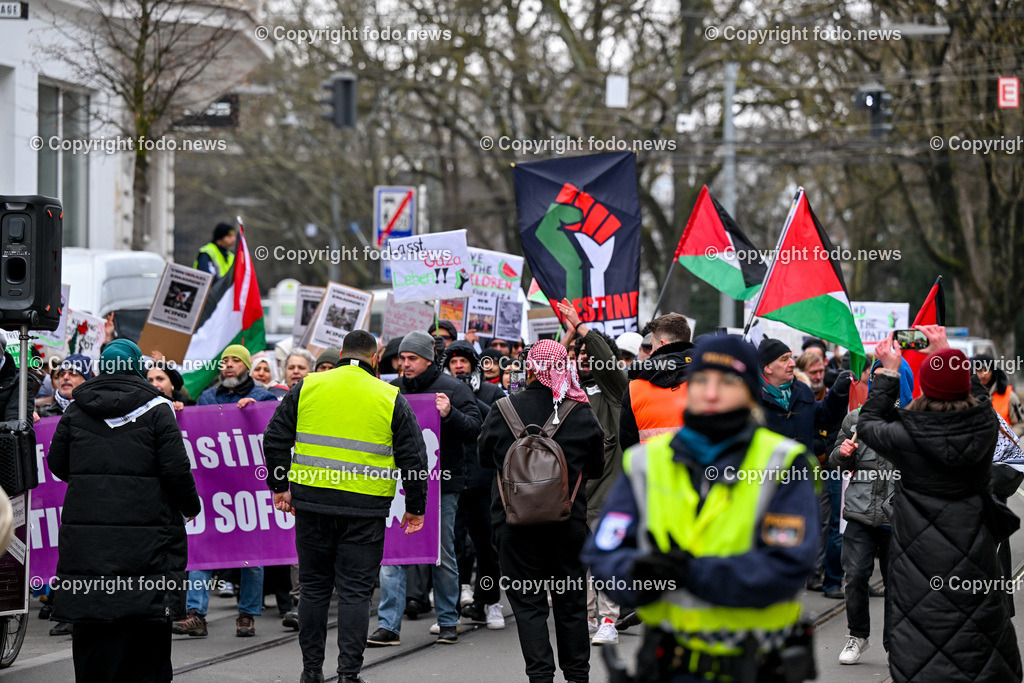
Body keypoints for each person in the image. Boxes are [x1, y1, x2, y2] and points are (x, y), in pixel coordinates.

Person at [583, 334, 820, 683]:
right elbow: (603, 554)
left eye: (727, 382)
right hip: (669, 666)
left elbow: (787, 566)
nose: (711, 392)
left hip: (754, 665)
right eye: (701, 380)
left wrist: (686, 573)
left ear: (751, 391)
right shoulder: (648, 462)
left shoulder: (784, 462)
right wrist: (639, 579)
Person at [263, 330, 428, 683]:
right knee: (355, 593)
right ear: (375, 357)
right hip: (365, 510)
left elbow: (274, 436)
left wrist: (280, 486)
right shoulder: (389, 396)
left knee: (314, 589)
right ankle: (348, 674)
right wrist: (415, 507)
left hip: (312, 505)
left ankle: (311, 673)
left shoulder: (307, 387)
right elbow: (414, 457)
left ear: (340, 353)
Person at [857, 328, 1023, 682]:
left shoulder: (904, 438)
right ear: (965, 386)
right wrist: (946, 351)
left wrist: (887, 372)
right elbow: (981, 402)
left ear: (924, 388)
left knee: (924, 640)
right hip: (975, 553)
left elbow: (869, 424)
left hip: (918, 562)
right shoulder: (983, 427)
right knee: (978, 634)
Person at [48, 340, 201, 682]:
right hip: (148, 538)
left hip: (88, 542)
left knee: (92, 622)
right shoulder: (158, 409)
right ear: (135, 366)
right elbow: (176, 470)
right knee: (146, 621)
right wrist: (191, 507)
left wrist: (92, 483)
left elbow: (57, 463)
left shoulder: (76, 409)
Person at [478, 340, 605, 683]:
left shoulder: (503, 409)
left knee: (529, 606)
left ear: (529, 367)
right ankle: (578, 677)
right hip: (568, 527)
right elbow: (595, 466)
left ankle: (540, 677)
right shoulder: (581, 411)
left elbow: (484, 458)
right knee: (571, 605)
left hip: (514, 526)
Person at [368, 331, 482, 647]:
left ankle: (448, 620)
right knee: (392, 553)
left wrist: (449, 414)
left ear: (428, 360)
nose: (404, 364)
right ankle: (389, 625)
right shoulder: (390, 390)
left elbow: (475, 429)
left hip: (442, 485)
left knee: (441, 551)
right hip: (399, 486)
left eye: (411, 358)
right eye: (401, 358)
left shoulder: (453, 389)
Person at [174, 345, 277, 638]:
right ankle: (196, 614)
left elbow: (273, 431)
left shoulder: (262, 398)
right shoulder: (206, 398)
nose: (229, 365)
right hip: (214, 491)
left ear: (246, 366)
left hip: (248, 492)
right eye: (225, 361)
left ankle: (247, 615)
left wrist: (255, 414)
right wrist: (183, 410)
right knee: (202, 552)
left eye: (235, 361)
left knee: (251, 556)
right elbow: (193, 435)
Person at [828, 359, 911, 665]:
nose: (878, 384)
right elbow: (835, 462)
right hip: (860, 514)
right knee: (856, 575)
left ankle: (895, 644)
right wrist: (843, 454)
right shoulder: (854, 419)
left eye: (884, 378)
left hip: (896, 517)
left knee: (896, 583)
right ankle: (857, 636)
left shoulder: (909, 422)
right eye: (873, 378)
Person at [558, 299, 629, 645]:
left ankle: (608, 620)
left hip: (607, 497)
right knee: (579, 564)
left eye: (589, 353)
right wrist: (568, 334)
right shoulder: (566, 393)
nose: (582, 357)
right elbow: (546, 365)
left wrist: (582, 327)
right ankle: (588, 615)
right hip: (572, 498)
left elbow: (608, 364)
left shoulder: (616, 391)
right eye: (577, 353)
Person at [758, 337, 851, 599]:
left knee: (793, 543)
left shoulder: (802, 391)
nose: (791, 363)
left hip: (801, 485)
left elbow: (823, 417)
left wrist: (839, 392)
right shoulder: (752, 397)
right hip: (766, 486)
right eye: (784, 359)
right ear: (767, 368)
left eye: (791, 357)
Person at [441, 341, 507, 630]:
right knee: (453, 545)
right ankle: (452, 608)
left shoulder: (491, 392)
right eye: (453, 361)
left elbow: (501, 420)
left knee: (486, 544)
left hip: (483, 480)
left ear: (474, 364)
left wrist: (467, 396)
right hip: (453, 480)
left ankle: (490, 601)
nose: (458, 366)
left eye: (464, 361)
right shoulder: (441, 392)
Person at [619, 313, 694, 450]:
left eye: (652, 346)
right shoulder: (706, 381)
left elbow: (628, 445)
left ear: (662, 344)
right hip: (697, 468)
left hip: (650, 469)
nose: (650, 352)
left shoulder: (635, 387)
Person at [975, 353, 1024, 436]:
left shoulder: (1009, 396)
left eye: (987, 370)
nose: (983, 374)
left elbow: (1021, 424)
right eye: (979, 370)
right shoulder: (967, 396)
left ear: (993, 372)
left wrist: (1009, 439)